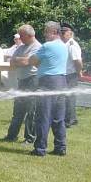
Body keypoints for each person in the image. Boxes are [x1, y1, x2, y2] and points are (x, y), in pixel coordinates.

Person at [28, 21, 69, 157]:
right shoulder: (64, 46)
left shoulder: (47, 46)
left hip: (48, 82)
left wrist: (38, 61)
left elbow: (33, 61)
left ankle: (40, 148)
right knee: (58, 117)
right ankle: (60, 147)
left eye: (46, 31)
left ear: (54, 32)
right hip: (62, 81)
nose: (44, 34)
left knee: (43, 116)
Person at [4, 25, 41, 143]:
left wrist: (19, 60)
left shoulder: (38, 47)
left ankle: (29, 138)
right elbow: (11, 63)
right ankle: (11, 136)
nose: (20, 38)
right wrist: (20, 60)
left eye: (22, 35)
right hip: (22, 81)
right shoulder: (21, 47)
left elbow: (27, 61)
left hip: (32, 80)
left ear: (30, 35)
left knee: (31, 110)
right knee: (18, 110)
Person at [61, 23, 83, 127]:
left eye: (64, 32)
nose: (62, 34)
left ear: (70, 33)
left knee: (69, 97)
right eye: (61, 32)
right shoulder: (64, 44)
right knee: (68, 97)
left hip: (70, 74)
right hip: (65, 74)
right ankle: (72, 119)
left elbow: (77, 61)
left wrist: (79, 72)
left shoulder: (72, 45)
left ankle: (69, 120)